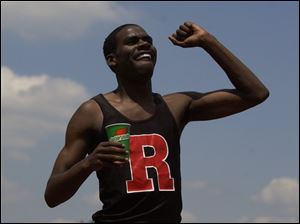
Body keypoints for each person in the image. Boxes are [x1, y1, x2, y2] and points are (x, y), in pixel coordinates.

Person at [44, 21, 269, 223]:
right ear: (113, 60)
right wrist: (89, 163)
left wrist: (207, 41)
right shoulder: (93, 112)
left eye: (148, 41)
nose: (144, 44)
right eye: (133, 41)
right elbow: (52, 195)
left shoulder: (176, 106)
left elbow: (255, 93)